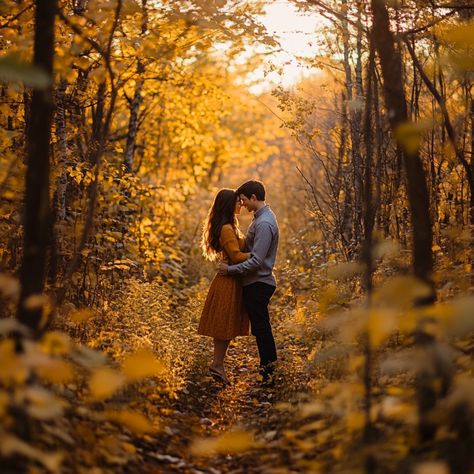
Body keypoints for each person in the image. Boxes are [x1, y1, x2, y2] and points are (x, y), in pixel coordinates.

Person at [218, 180, 279, 384]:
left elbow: (256, 260)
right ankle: (268, 372)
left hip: (259, 282)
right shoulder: (260, 219)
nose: (242, 204)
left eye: (244, 200)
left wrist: (230, 270)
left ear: (254, 197)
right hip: (256, 281)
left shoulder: (264, 223)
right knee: (260, 328)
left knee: (262, 329)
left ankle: (269, 375)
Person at [198, 188, 250, 384]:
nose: (240, 204)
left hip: (231, 279)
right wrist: (257, 256)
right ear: (229, 204)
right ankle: (217, 364)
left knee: (225, 324)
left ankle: (218, 363)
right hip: (227, 282)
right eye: (237, 201)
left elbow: (238, 250)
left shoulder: (230, 226)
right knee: (223, 324)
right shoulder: (227, 228)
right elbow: (236, 256)